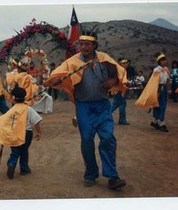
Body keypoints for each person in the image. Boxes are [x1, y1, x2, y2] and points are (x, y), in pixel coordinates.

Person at [45, 30, 126, 189]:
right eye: (81, 44)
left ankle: (112, 176)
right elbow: (57, 74)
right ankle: (90, 173)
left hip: (103, 105)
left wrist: (113, 79)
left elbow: (118, 73)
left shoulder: (104, 59)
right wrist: (55, 79)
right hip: (84, 107)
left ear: (94, 45)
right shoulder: (73, 62)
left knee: (108, 137)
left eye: (87, 44)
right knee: (87, 140)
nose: (84, 47)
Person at [0, 85, 42, 179]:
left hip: (13, 133)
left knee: (15, 152)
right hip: (26, 134)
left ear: (13, 98)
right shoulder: (28, 109)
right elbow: (36, 121)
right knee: (24, 151)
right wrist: (39, 132)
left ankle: (11, 163)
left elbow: (3, 121)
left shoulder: (11, 110)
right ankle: (24, 168)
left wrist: (1, 130)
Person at [135, 52, 170, 132]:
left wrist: (167, 80)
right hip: (159, 88)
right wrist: (157, 91)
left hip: (163, 88)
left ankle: (155, 121)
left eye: (165, 60)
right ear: (159, 62)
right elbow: (154, 82)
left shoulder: (164, 70)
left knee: (158, 105)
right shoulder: (157, 71)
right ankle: (161, 122)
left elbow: (166, 79)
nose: (164, 62)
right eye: (162, 61)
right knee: (161, 105)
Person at [111, 57, 130, 125]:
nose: (125, 64)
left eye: (126, 63)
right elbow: (118, 81)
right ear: (120, 64)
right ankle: (105, 116)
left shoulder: (122, 70)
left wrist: (127, 82)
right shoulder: (120, 70)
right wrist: (125, 86)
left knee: (122, 104)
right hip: (118, 90)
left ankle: (122, 120)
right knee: (116, 104)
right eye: (123, 63)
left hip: (120, 89)